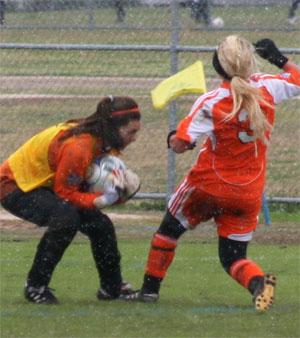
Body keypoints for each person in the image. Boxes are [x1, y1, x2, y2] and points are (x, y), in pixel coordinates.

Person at [122, 36, 300, 311]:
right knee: (232, 257)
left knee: (168, 232)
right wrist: (280, 59)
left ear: (218, 65)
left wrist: (173, 137)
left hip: (208, 184)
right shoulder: (268, 87)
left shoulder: (212, 101)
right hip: (248, 192)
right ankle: (257, 283)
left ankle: (149, 291)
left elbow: (180, 145)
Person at [0, 96, 141, 304]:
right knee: (65, 218)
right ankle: (35, 286)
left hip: (44, 186)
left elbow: (82, 190)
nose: (135, 137)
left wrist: (120, 194)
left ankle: (112, 288)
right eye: (131, 132)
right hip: (13, 186)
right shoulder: (80, 147)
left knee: (101, 225)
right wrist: (101, 201)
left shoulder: (104, 142)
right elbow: (66, 193)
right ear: (113, 127)